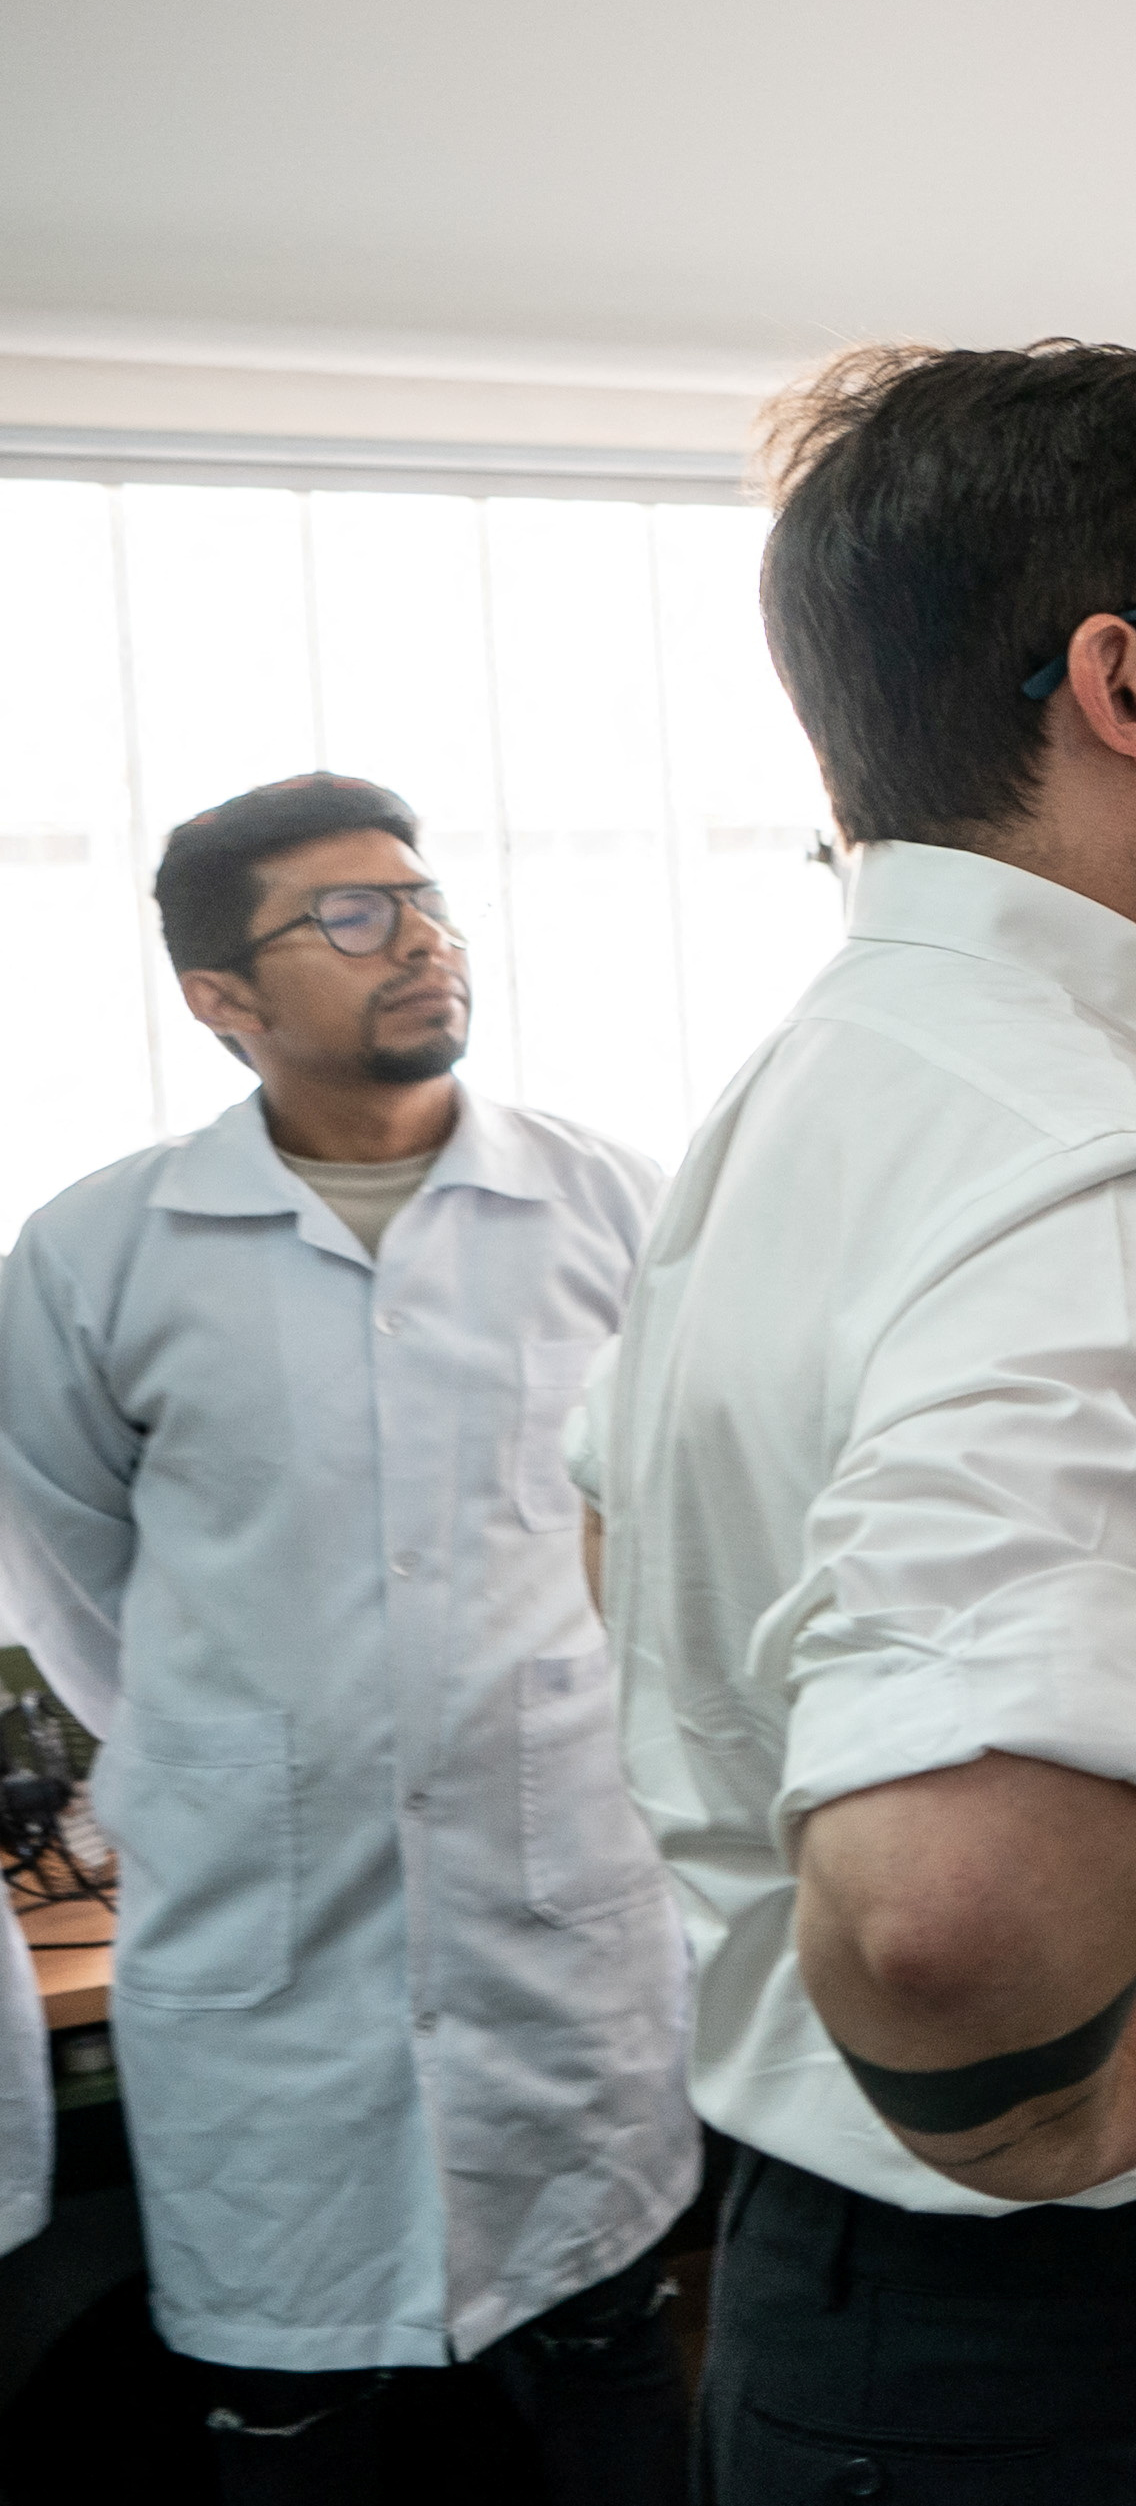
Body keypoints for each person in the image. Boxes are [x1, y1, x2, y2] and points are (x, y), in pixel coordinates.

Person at [578, 343, 1136, 2506]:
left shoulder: (822, 1084)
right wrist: (1030, 2112)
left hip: (863, 2314)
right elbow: (941, 1913)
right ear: (1129, 685)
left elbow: (629, 1542)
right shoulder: (1092, 1177)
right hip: (1115, 2350)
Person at [0, 773, 693, 2503]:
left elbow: (685, 1533)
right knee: (294, 2426)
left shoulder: (611, 1203)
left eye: (428, 900)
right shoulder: (97, 1255)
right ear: (220, 999)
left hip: (564, 1926)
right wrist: (257, 1750)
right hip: (267, 1954)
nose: (424, 943)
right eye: (353, 916)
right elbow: (84, 1593)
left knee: (612, 2373)